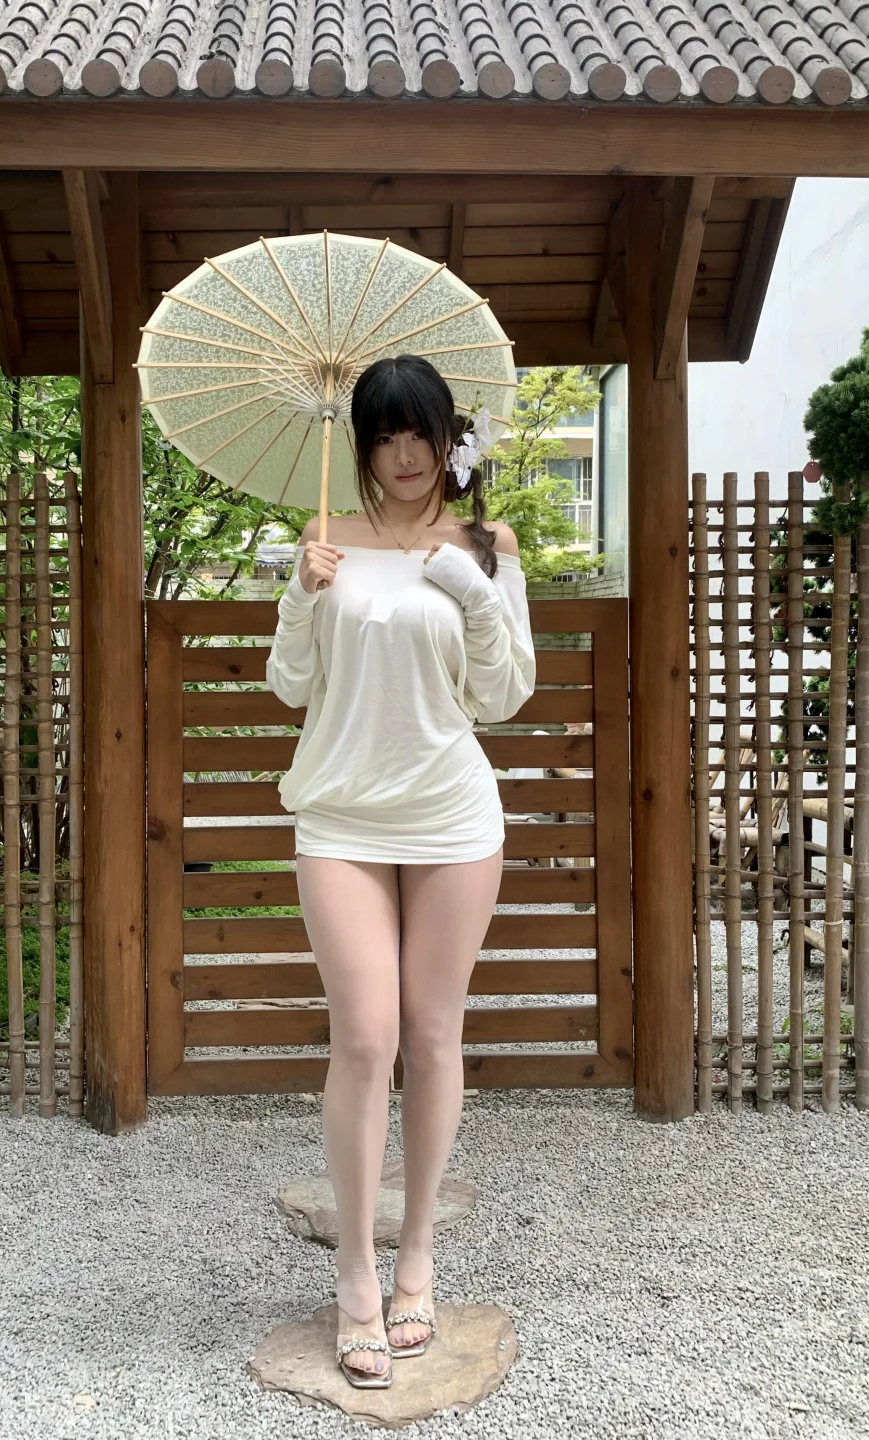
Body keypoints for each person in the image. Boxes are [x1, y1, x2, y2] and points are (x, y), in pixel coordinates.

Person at [265, 354, 536, 1389]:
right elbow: (291, 684)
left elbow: (504, 694)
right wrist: (300, 595)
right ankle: (356, 1277)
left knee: (431, 1032)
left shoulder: (487, 545)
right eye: (384, 436)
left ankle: (416, 1259)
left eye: (420, 432)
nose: (405, 454)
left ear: (447, 437)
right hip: (339, 813)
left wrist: (470, 586)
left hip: (452, 816)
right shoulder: (326, 540)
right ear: (363, 447)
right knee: (366, 1037)